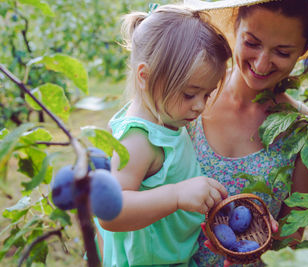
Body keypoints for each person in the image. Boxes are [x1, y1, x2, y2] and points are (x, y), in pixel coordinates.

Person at [183, 0, 308, 266]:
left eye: (282, 52)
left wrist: (269, 244)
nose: (261, 63)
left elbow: (294, 228)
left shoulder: (304, 127)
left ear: (303, 50)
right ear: (236, 27)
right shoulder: (190, 96)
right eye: (252, 43)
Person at [94, 5, 233, 267]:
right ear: (145, 76)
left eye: (207, 94)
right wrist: (177, 195)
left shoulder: (165, 116)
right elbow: (110, 213)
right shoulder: (139, 141)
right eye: (190, 94)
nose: (200, 106)